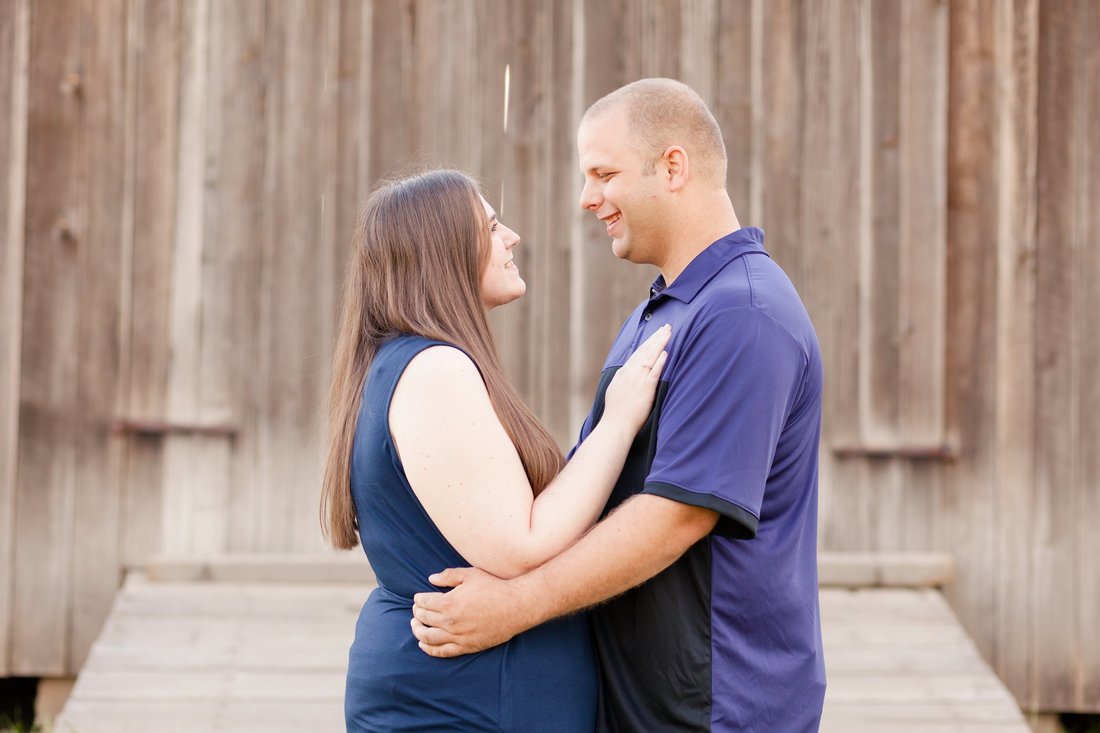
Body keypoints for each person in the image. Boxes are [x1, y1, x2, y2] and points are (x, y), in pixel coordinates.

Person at [411, 79, 827, 732]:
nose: (587, 198)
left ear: (673, 166)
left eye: (603, 173)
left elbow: (676, 517)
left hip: (717, 711)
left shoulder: (744, 314)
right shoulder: (661, 312)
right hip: (643, 702)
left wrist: (514, 605)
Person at [320, 169, 671, 732]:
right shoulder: (434, 370)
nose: (511, 238)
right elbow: (519, 544)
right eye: (491, 227)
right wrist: (619, 420)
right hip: (465, 702)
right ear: (445, 252)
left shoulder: (401, 363)